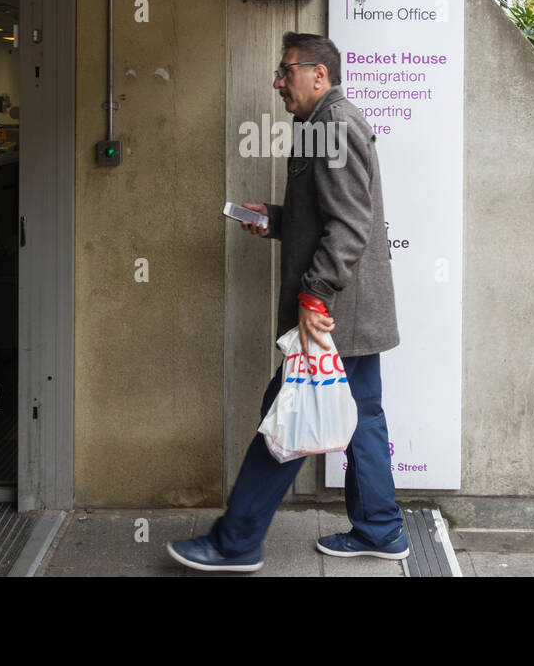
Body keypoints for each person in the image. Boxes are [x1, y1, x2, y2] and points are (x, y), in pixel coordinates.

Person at [168, 33, 408, 572]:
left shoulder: (334, 126)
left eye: (286, 71)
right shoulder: (320, 126)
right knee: (362, 416)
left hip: (332, 315)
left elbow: (349, 226)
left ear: (318, 75)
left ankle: (235, 543)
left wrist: (315, 294)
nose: (278, 82)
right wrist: (276, 219)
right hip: (351, 313)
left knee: (286, 417)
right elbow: (334, 215)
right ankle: (381, 529)